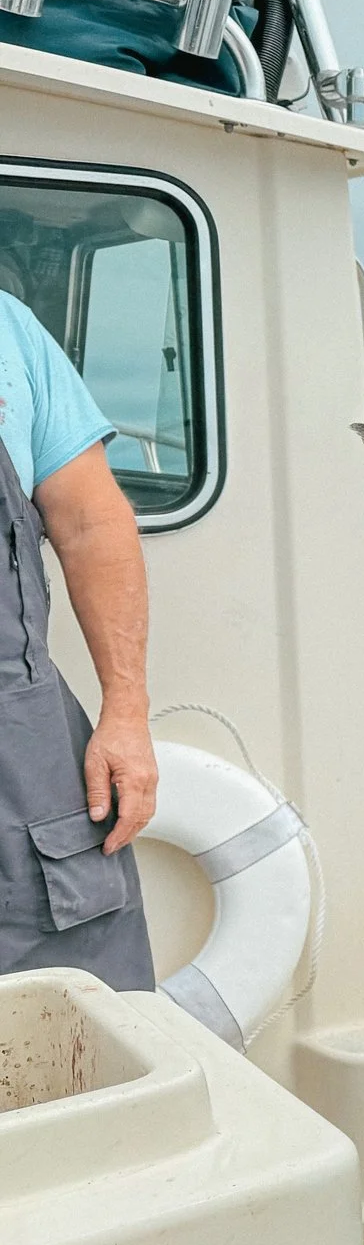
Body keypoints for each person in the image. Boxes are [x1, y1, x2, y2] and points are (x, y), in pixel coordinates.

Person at [0, 289, 156, 988]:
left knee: (89, 1039)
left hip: (24, 759)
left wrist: (126, 710)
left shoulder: (10, 329)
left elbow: (92, 524)